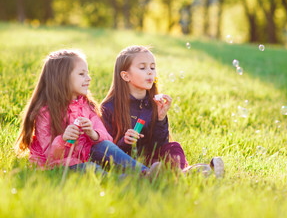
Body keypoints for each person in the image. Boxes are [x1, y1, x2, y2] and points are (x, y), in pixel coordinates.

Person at [14, 49, 153, 175]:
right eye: (82, 74)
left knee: (105, 146)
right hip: (58, 165)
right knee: (91, 169)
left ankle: (144, 172)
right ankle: (123, 181)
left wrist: (93, 134)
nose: (89, 78)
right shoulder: (44, 113)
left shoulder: (86, 105)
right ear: (62, 79)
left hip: (85, 156)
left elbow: (107, 138)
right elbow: (49, 155)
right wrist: (63, 140)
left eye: (87, 73)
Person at [100, 45, 224, 177]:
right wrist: (125, 141)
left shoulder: (153, 103)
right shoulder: (109, 107)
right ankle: (194, 173)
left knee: (173, 147)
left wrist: (161, 118)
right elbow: (105, 150)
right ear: (125, 76)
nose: (150, 72)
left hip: (152, 161)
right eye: (143, 68)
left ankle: (181, 174)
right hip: (130, 161)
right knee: (156, 166)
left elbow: (160, 145)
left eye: (152, 68)